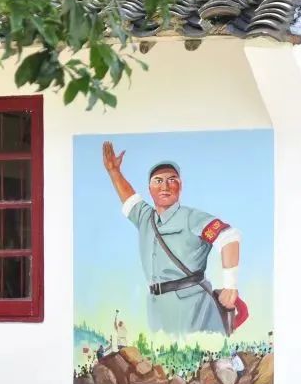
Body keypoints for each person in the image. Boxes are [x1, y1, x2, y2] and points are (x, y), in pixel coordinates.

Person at [102, 141, 243, 336]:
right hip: (157, 309)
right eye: (158, 181)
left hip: (194, 309)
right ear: (149, 189)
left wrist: (230, 285)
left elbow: (228, 237)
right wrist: (114, 172)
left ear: (180, 186)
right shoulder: (145, 217)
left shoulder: (191, 217)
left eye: (172, 180)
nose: (165, 186)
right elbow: (129, 198)